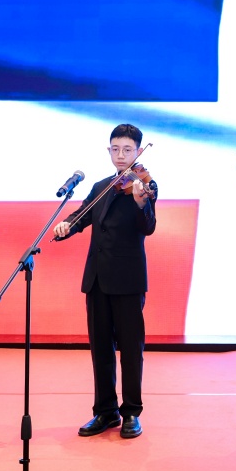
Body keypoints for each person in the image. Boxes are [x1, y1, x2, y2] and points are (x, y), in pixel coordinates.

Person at [53, 124, 157, 439]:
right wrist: (66, 225)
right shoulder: (101, 186)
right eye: (115, 149)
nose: (121, 155)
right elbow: (82, 215)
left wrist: (141, 203)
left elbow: (148, 226)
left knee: (131, 350)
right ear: (108, 151)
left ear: (138, 151)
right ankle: (105, 411)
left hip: (128, 280)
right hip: (97, 279)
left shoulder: (144, 185)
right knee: (100, 349)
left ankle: (131, 413)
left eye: (127, 149)